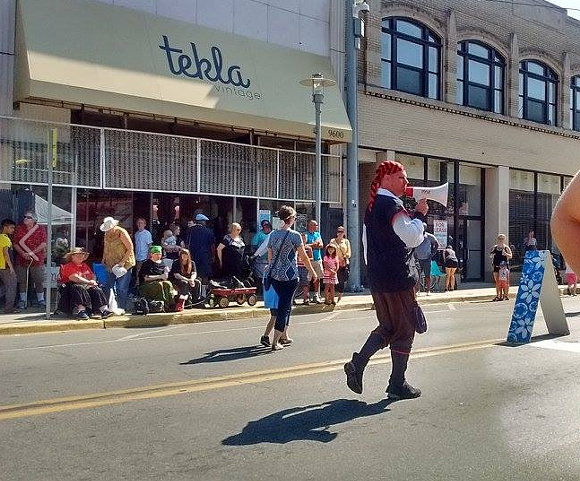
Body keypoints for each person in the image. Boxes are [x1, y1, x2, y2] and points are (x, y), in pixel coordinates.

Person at [344, 160, 428, 400]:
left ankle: (359, 364)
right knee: (405, 329)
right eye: (402, 177)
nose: (406, 183)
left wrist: (376, 273)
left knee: (389, 326)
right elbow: (412, 237)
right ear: (387, 179)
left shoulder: (373, 206)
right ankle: (396, 383)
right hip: (397, 278)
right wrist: (420, 216)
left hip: (379, 279)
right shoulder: (392, 204)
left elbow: (365, 243)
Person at [267, 205, 318, 351]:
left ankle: (283, 336)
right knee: (284, 307)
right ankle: (275, 341)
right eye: (295, 217)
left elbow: (270, 257)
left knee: (284, 305)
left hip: (275, 275)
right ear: (290, 219)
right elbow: (303, 256)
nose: (295, 219)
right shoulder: (294, 235)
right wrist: (312, 272)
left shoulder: (273, 234)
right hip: (290, 275)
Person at [57, 247, 112, 320]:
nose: (81, 257)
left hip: (84, 285)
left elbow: (92, 275)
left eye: (82, 255)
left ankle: (104, 310)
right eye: (78, 255)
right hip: (69, 287)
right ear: (72, 257)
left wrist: (93, 281)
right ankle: (81, 311)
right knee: (78, 287)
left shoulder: (84, 266)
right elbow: (74, 278)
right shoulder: (68, 266)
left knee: (96, 289)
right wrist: (88, 282)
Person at [13, 211, 47, 309]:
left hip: (37, 258)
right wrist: (23, 253)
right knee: (22, 280)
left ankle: (41, 300)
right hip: (21, 258)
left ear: (34, 220)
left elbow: (43, 243)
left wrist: (32, 253)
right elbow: (15, 243)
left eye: (28, 217)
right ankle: (22, 300)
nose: (25, 218)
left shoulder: (40, 229)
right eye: (25, 217)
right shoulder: (19, 228)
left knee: (38, 280)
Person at [101, 216, 135, 310]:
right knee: (108, 286)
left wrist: (122, 262)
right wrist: (104, 259)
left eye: (109, 229)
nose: (107, 231)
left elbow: (130, 248)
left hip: (124, 264)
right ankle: (108, 308)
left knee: (121, 288)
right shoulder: (106, 234)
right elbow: (106, 247)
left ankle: (121, 308)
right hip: (110, 263)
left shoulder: (121, 233)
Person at [138, 245, 176, 312]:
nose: (159, 256)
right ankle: (162, 305)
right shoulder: (146, 264)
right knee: (159, 285)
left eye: (160, 254)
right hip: (146, 284)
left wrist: (166, 272)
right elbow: (146, 278)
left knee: (168, 283)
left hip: (160, 281)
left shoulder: (162, 263)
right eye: (157, 254)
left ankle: (171, 304)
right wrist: (160, 276)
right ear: (152, 254)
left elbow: (165, 275)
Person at [184, 214, 215, 288]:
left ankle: (194, 290)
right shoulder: (208, 231)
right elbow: (212, 246)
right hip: (205, 256)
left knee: (193, 273)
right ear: (202, 222)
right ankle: (204, 291)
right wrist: (213, 256)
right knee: (205, 275)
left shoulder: (190, 231)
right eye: (204, 221)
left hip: (192, 255)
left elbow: (187, 244)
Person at [414, 224, 439, 295]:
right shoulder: (417, 236)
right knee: (417, 276)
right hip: (418, 258)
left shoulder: (429, 236)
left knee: (427, 275)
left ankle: (428, 290)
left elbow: (436, 244)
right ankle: (417, 290)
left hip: (427, 259)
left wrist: (432, 253)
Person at [329, 226, 351, 303]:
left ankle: (339, 297)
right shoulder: (332, 241)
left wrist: (344, 257)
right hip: (334, 263)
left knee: (342, 280)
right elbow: (330, 250)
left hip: (343, 263)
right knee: (332, 280)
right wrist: (336, 259)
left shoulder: (346, 241)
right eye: (338, 231)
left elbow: (349, 252)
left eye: (341, 232)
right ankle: (331, 297)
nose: (340, 233)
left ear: (344, 233)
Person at [0, 219, 17, 314]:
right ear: (5, 227)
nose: (13, 230)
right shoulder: (5, 238)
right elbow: (6, 254)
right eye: (11, 227)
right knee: (11, 286)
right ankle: (8, 308)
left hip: (3, 266)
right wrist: (11, 267)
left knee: (6, 287)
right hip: (5, 266)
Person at [490, 234, 512, 302]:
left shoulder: (506, 247)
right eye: (499, 238)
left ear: (504, 239)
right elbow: (490, 255)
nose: (501, 240)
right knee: (497, 282)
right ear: (497, 239)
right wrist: (492, 255)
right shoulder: (495, 247)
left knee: (505, 282)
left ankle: (505, 295)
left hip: (504, 268)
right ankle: (498, 295)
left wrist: (506, 254)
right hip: (496, 266)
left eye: (502, 238)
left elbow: (511, 256)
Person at [306, 220, 324, 303]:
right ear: (310, 225)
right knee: (308, 278)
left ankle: (316, 295)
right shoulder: (305, 235)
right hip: (308, 259)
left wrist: (311, 245)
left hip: (318, 259)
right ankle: (307, 295)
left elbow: (321, 245)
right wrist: (314, 245)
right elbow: (304, 246)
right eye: (315, 225)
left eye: (316, 225)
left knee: (317, 278)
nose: (316, 226)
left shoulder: (317, 234)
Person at [251, 220, 273, 291]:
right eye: (264, 226)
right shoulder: (259, 234)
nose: (266, 227)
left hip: (270, 259)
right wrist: (254, 255)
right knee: (261, 275)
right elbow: (253, 245)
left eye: (267, 226)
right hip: (261, 259)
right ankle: (260, 290)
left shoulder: (273, 234)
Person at [134, 217, 152, 286]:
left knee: (143, 272)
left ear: (144, 224)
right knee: (137, 271)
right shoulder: (136, 234)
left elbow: (150, 246)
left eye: (141, 223)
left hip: (144, 257)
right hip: (138, 256)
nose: (139, 224)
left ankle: (141, 286)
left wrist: (148, 256)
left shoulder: (147, 233)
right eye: (138, 223)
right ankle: (137, 286)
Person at [296, 232, 313, 305]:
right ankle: (293, 299)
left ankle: (305, 299)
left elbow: (312, 258)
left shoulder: (308, 248)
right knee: (296, 283)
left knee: (305, 283)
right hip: (297, 267)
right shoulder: (297, 247)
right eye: (302, 238)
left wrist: (306, 259)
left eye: (304, 238)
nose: (303, 240)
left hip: (305, 267)